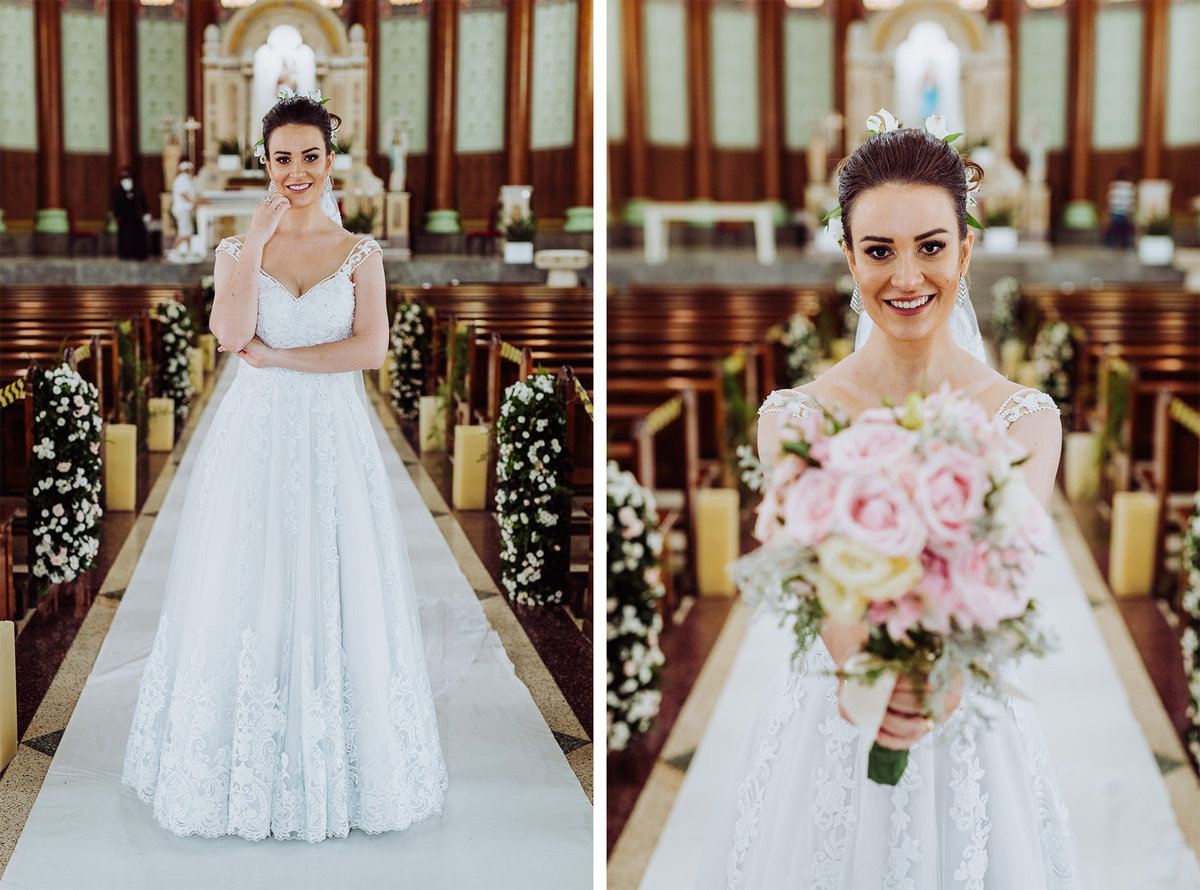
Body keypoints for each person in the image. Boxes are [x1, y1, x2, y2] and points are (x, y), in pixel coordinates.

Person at [697, 126, 1081, 888]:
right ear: (848, 257)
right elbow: (818, 580)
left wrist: (940, 675)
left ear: (965, 252)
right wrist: (867, 675)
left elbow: (1005, 584)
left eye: (932, 247)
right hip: (833, 708)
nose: (907, 276)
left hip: (968, 707)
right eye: (879, 251)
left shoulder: (1026, 419)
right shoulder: (795, 418)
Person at [122, 94, 461, 841]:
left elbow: (370, 350)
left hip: (333, 431)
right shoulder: (238, 251)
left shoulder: (361, 253)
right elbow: (231, 333)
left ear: (329, 160)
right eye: (283, 158)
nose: (298, 171)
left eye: (311, 156)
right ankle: (248, 742)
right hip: (257, 432)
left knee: (332, 570)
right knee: (253, 570)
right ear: (265, 163)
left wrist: (278, 358)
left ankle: (337, 749)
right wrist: (254, 238)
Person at [111, 165, 150, 260]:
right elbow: (114, 203)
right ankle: (125, 253)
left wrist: (146, 211)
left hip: (136, 215)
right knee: (125, 235)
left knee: (138, 235)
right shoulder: (117, 189)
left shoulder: (136, 187)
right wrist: (116, 215)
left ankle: (139, 253)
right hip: (124, 216)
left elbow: (142, 200)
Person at [166, 160, 198, 263]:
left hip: (185, 209)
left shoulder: (185, 179)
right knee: (184, 231)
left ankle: (189, 251)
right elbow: (183, 194)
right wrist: (193, 202)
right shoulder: (183, 180)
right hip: (183, 208)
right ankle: (174, 251)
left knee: (188, 230)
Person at [1104, 168, 1136, 249]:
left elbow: (1110, 200)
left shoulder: (1114, 186)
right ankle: (1128, 246)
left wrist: (1109, 211)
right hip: (1125, 211)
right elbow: (1131, 201)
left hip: (1116, 211)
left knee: (1114, 230)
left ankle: (1109, 245)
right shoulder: (1130, 187)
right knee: (1126, 230)